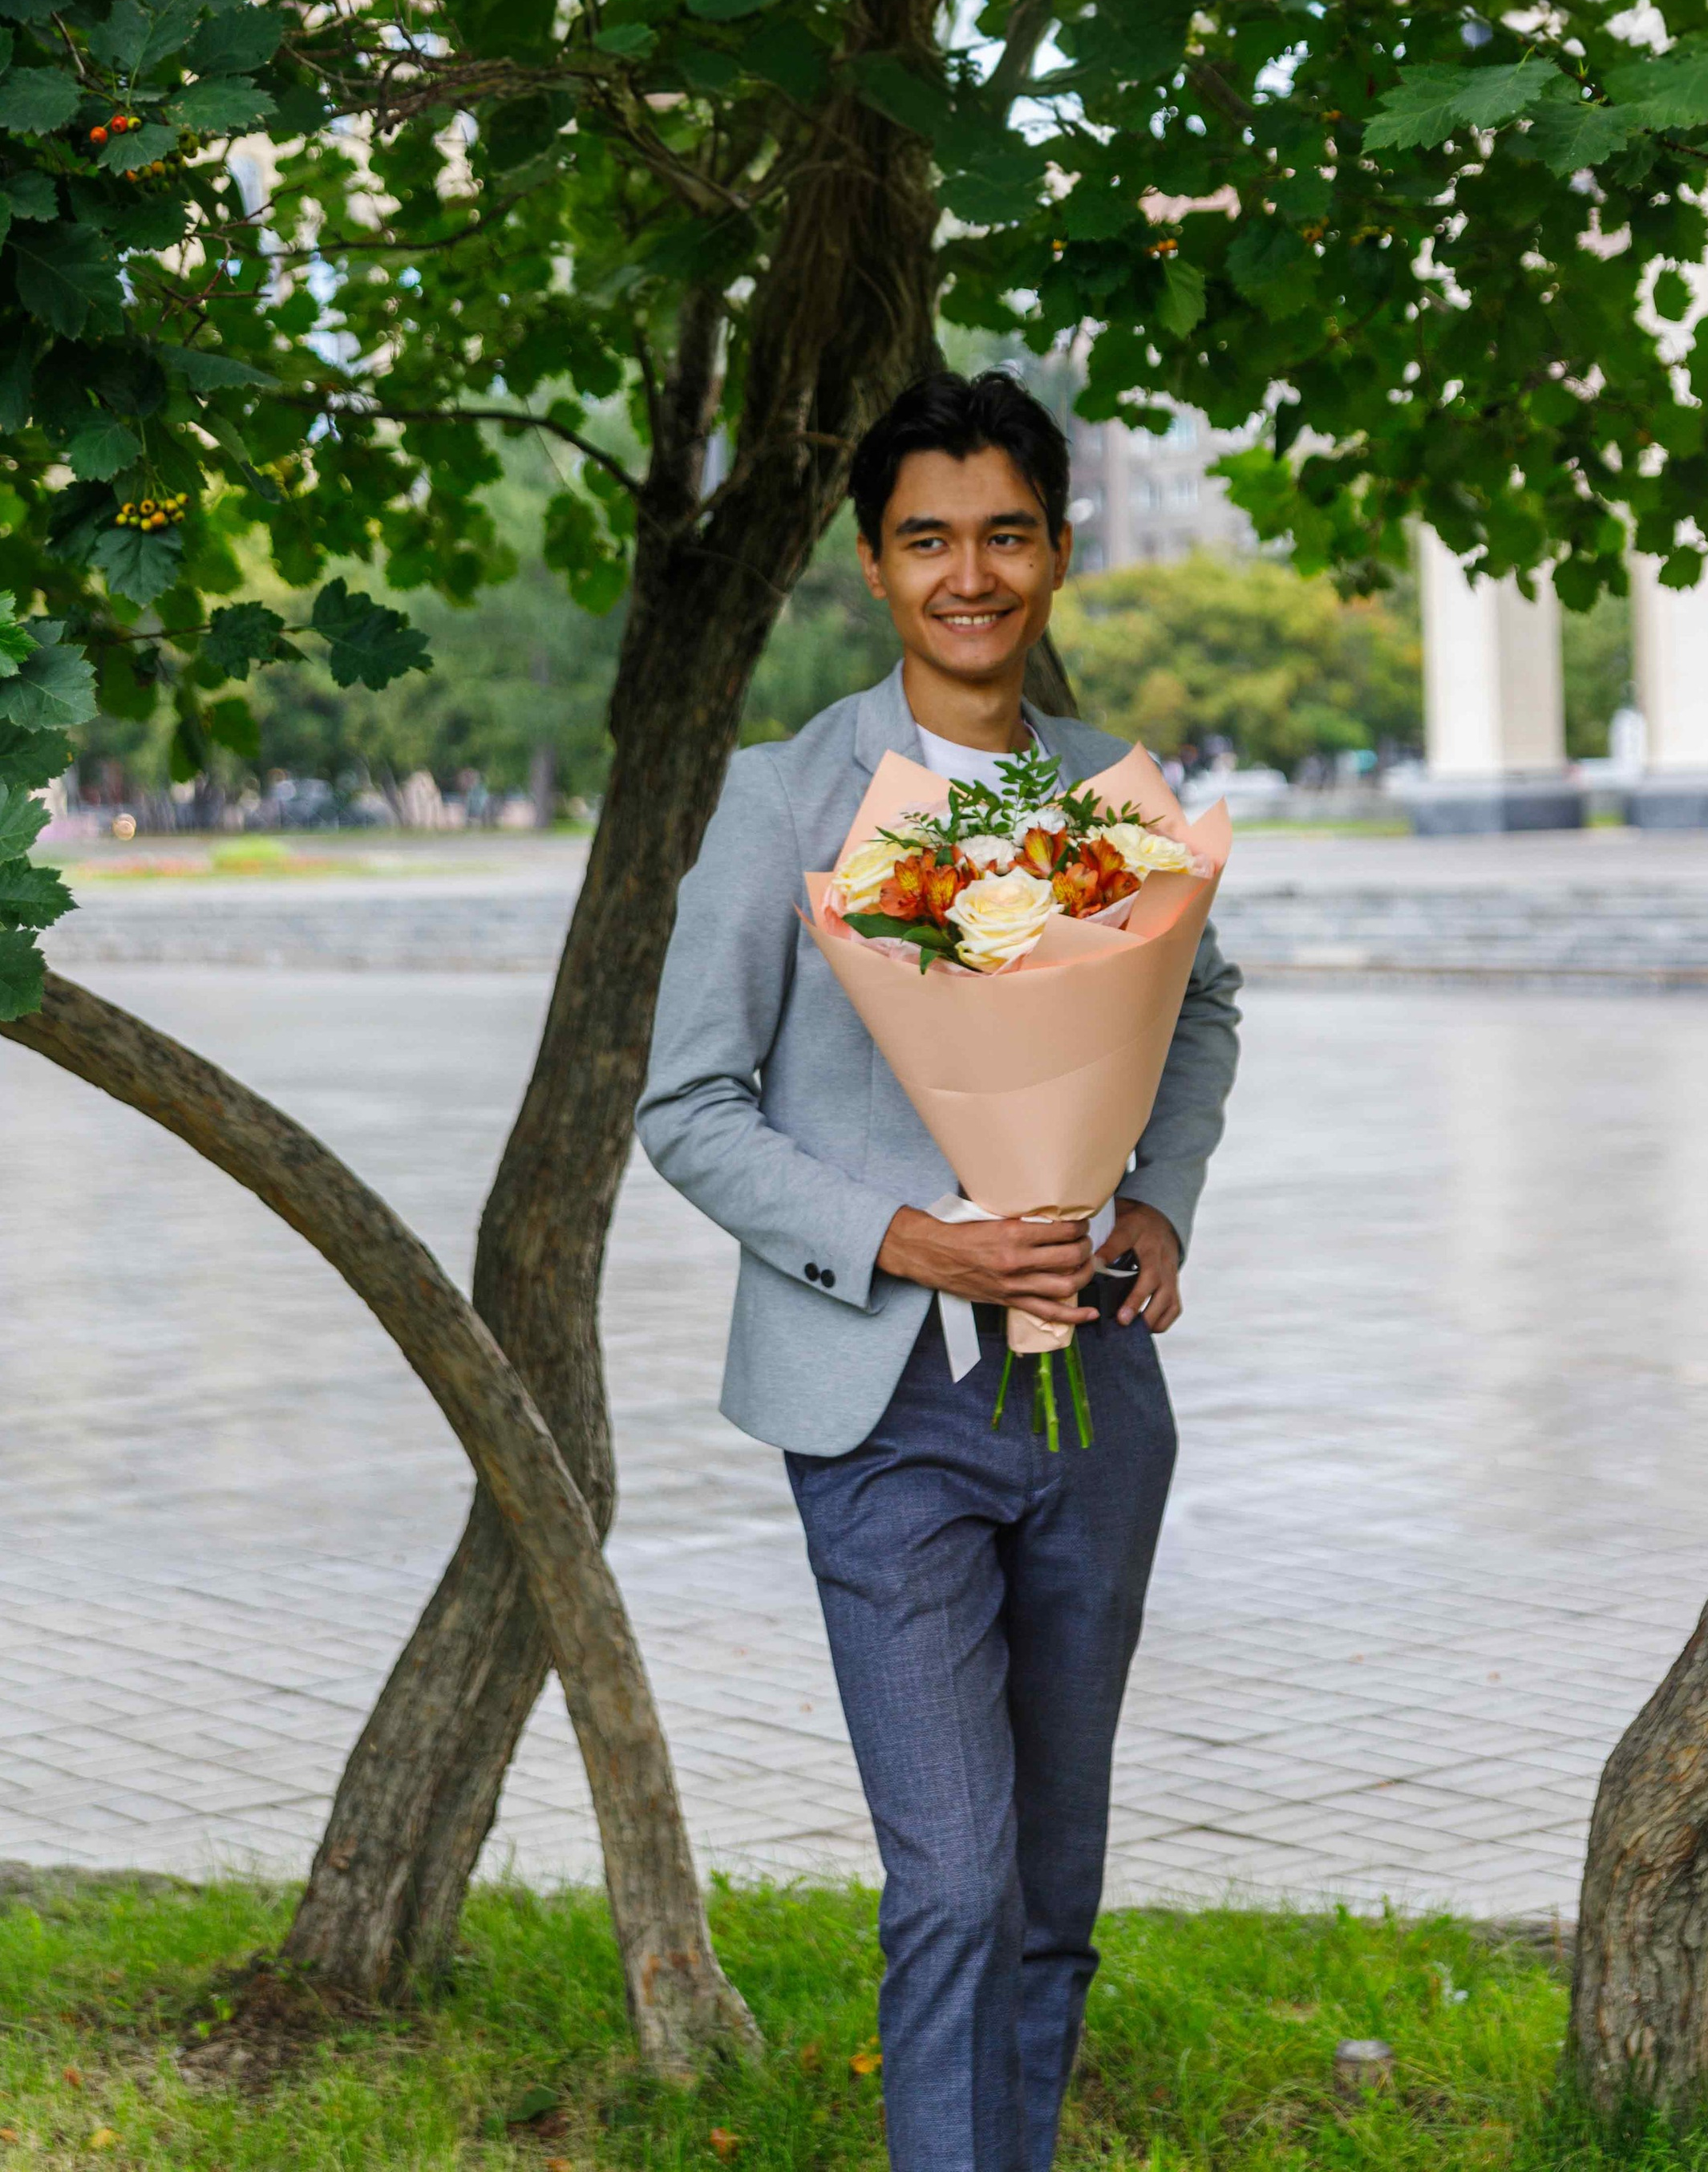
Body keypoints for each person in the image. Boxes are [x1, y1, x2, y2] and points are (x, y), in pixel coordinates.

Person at [637, 367, 1242, 2172]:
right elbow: (688, 1107)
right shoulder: (782, 800)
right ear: (872, 563)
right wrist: (914, 1240)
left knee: (1052, 1890)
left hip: (1094, 1400)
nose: (966, 573)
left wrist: (1157, 1207)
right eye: (926, 540)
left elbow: (1197, 1006)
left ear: (1054, 552)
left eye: (1002, 534)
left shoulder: (1100, 787)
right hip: (883, 1410)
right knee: (957, 1882)